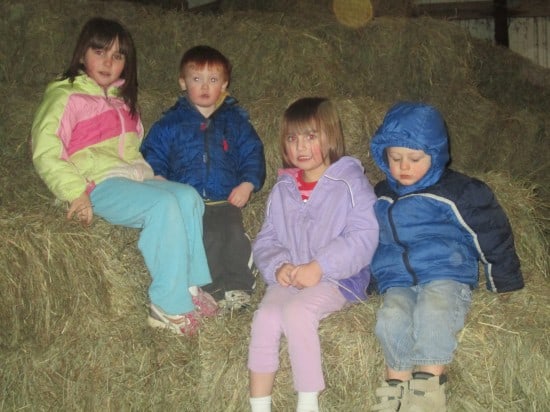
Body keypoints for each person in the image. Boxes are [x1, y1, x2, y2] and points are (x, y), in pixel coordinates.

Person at [31, 17, 218, 337]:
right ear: (81, 54)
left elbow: (132, 152)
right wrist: (75, 191)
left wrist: (148, 177)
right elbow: (45, 149)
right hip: (94, 183)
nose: (108, 61)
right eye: (100, 51)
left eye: (118, 56)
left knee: (187, 196)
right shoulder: (66, 96)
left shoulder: (124, 102)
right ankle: (167, 307)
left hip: (131, 179)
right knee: (163, 208)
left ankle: (188, 288)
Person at [369, 102, 524, 412]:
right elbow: (372, 240)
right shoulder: (379, 193)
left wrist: (503, 280)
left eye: (415, 158)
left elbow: (490, 231)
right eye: (395, 157)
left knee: (434, 310)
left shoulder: (458, 191)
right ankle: (395, 387)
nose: (404, 166)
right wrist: (372, 280)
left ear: (435, 154)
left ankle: (427, 387)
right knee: (390, 317)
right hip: (398, 278)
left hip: (444, 272)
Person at [247, 97, 379, 412]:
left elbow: (365, 235)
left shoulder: (350, 183)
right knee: (265, 316)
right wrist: (277, 264)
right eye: (292, 138)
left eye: (311, 136)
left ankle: (307, 403)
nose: (301, 146)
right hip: (291, 276)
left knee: (296, 313)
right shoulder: (283, 189)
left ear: (331, 137)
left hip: (339, 277)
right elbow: (267, 237)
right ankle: (258, 405)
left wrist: (320, 266)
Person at [141, 45, 266, 309]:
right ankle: (211, 288)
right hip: (188, 201)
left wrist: (248, 183)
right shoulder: (171, 123)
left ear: (224, 84)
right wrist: (159, 178)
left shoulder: (235, 121)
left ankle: (238, 285)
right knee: (203, 237)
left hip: (225, 197)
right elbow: (153, 152)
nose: (205, 86)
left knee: (232, 233)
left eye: (213, 79)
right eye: (196, 79)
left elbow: (252, 152)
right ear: (183, 82)